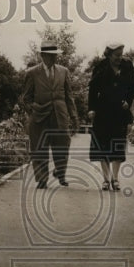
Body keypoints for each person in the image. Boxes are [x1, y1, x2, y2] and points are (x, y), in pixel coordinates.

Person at [20, 41, 78, 189]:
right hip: (39, 116)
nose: (54, 59)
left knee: (63, 146)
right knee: (39, 148)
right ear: (43, 55)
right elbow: (26, 98)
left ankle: (60, 173)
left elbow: (69, 96)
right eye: (51, 56)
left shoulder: (64, 71)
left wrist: (74, 116)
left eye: (56, 56)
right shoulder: (32, 73)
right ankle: (42, 179)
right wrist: (32, 111)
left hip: (60, 114)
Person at [87, 43, 134, 191]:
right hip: (103, 111)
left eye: (121, 55)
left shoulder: (128, 66)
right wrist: (91, 109)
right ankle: (105, 179)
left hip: (120, 111)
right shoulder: (100, 67)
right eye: (116, 56)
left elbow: (133, 87)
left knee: (117, 145)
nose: (119, 58)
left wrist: (128, 101)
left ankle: (115, 179)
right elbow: (92, 90)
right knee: (102, 145)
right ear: (109, 55)